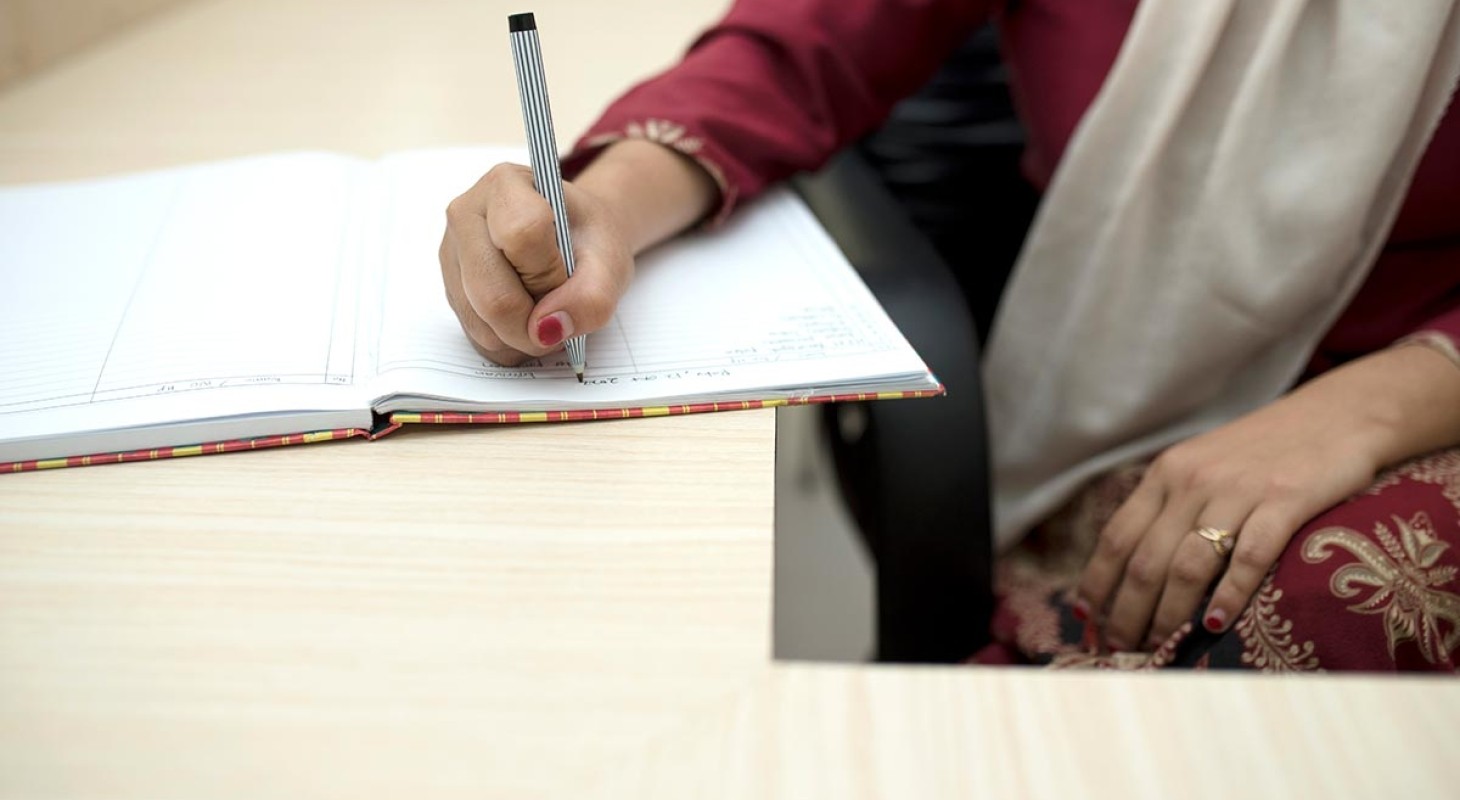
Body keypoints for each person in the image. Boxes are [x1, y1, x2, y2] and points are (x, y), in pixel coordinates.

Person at [438, 0, 1460, 671]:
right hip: (1124, 390)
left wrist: (1378, 401)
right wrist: (609, 203)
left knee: (1314, 620)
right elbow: (804, 48)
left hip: (1421, 381)